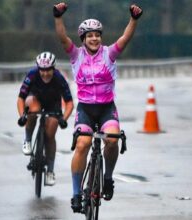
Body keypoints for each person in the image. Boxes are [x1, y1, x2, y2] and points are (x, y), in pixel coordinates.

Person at [53, 2, 143, 212]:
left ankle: (108, 178)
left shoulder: (109, 54)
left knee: (112, 140)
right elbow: (62, 38)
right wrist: (58, 17)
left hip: (106, 109)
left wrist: (133, 20)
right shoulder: (76, 55)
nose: (94, 38)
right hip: (85, 109)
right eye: (89, 35)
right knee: (83, 143)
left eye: (97, 35)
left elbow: (125, 38)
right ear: (83, 39)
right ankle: (76, 193)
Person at [17, 51, 74, 186]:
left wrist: (63, 119)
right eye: (42, 70)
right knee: (33, 110)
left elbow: (70, 103)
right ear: (38, 68)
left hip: (53, 104)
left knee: (50, 133)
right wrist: (22, 117)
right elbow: (21, 98)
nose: (45, 73)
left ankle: (50, 171)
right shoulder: (32, 75)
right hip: (35, 99)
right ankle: (28, 140)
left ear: (53, 69)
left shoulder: (59, 78)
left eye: (48, 70)